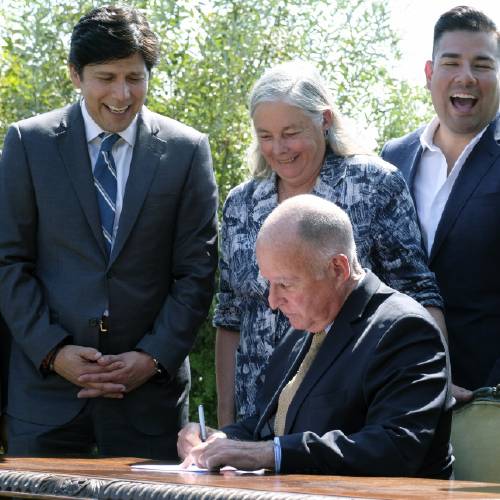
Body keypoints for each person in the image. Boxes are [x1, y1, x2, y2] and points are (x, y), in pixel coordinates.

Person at [0, 5, 218, 458]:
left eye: (134, 77)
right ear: (75, 75)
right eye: (107, 77)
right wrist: (53, 351)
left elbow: (197, 272)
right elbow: (8, 262)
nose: (122, 94)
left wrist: (152, 358)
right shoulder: (28, 143)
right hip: (45, 402)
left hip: (148, 407)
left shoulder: (186, 151)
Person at [215, 61, 446, 426]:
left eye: (290, 132)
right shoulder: (241, 204)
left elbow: (417, 292)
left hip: (346, 411)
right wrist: (226, 421)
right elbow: (229, 316)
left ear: (324, 119)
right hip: (255, 414)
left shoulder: (373, 183)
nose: (279, 149)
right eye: (265, 135)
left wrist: (436, 388)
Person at [179, 195, 453, 477]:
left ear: (338, 269)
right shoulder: (305, 328)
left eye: (284, 284)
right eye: (270, 284)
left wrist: (269, 454)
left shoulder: (405, 329)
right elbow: (266, 427)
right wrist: (219, 441)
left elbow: (396, 447)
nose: (272, 301)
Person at [382, 6, 500, 401]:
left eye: (482, 64)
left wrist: (491, 394)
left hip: (485, 399)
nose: (466, 76)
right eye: (452, 62)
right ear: (430, 73)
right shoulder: (392, 158)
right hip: (397, 395)